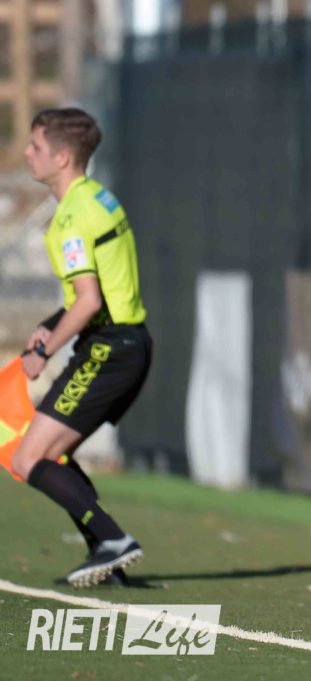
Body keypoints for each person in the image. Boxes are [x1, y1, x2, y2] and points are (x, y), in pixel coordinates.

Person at [11, 108, 152, 588]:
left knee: (28, 459)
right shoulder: (97, 198)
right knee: (54, 456)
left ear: (62, 158)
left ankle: (112, 540)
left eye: (36, 146)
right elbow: (95, 295)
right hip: (124, 342)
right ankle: (105, 554)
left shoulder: (71, 217)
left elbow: (89, 301)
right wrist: (51, 324)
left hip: (110, 349)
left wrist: (44, 350)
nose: (27, 153)